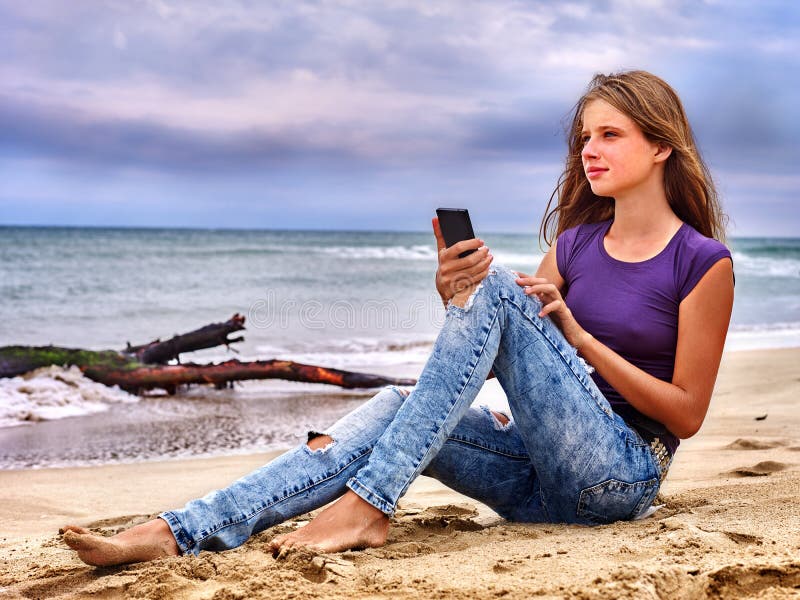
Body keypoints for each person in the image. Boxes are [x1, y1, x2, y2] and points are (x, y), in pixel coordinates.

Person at [61, 70, 734, 567]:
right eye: (585, 136)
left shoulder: (701, 263)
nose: (590, 149)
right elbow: (506, 352)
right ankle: (177, 531)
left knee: (497, 290)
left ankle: (370, 502)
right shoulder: (574, 246)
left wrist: (579, 338)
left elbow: (685, 415)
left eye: (610, 134)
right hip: (536, 479)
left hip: (619, 477)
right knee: (394, 402)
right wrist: (452, 293)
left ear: (660, 147)